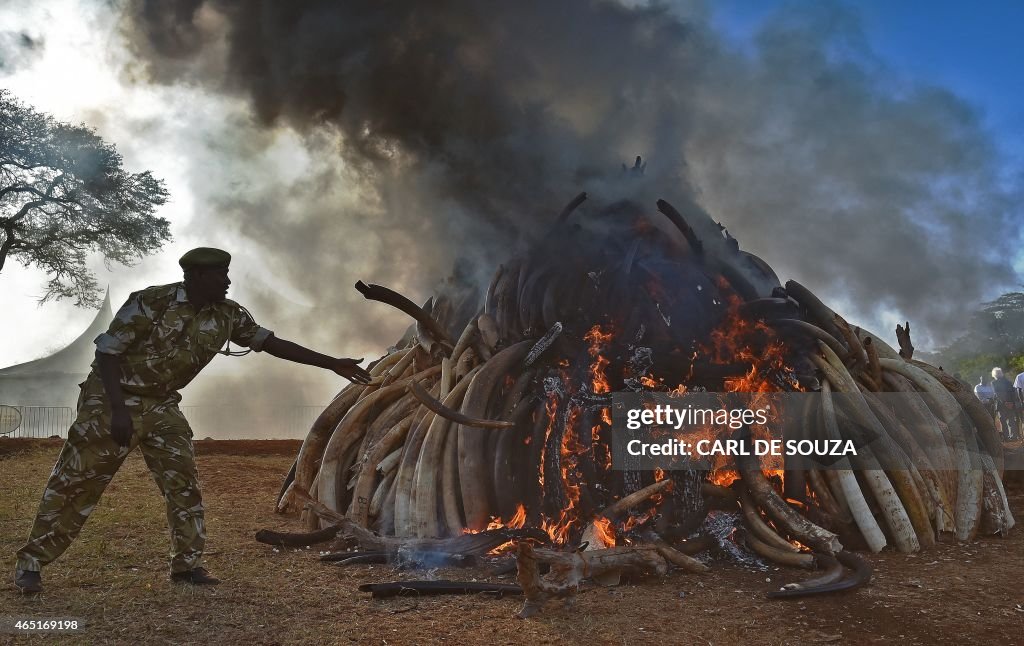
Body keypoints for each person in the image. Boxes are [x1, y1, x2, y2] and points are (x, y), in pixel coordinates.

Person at [14, 248, 371, 594]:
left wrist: (331, 362)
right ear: (197, 275)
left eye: (227, 273)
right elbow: (107, 353)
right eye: (220, 274)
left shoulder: (228, 315)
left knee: (183, 484)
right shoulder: (151, 301)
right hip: (110, 399)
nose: (227, 281)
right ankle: (31, 564)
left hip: (162, 405)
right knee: (75, 483)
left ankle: (186, 565)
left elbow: (272, 343)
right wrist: (118, 411)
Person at [991, 367, 1018, 442]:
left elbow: (997, 394)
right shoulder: (1008, 382)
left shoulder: (994, 383)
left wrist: (1007, 402)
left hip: (1001, 404)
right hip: (1009, 404)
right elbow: (1013, 393)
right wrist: (1011, 402)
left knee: (1005, 422)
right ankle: (1013, 436)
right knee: (1010, 421)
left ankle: (1007, 437)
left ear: (994, 375)